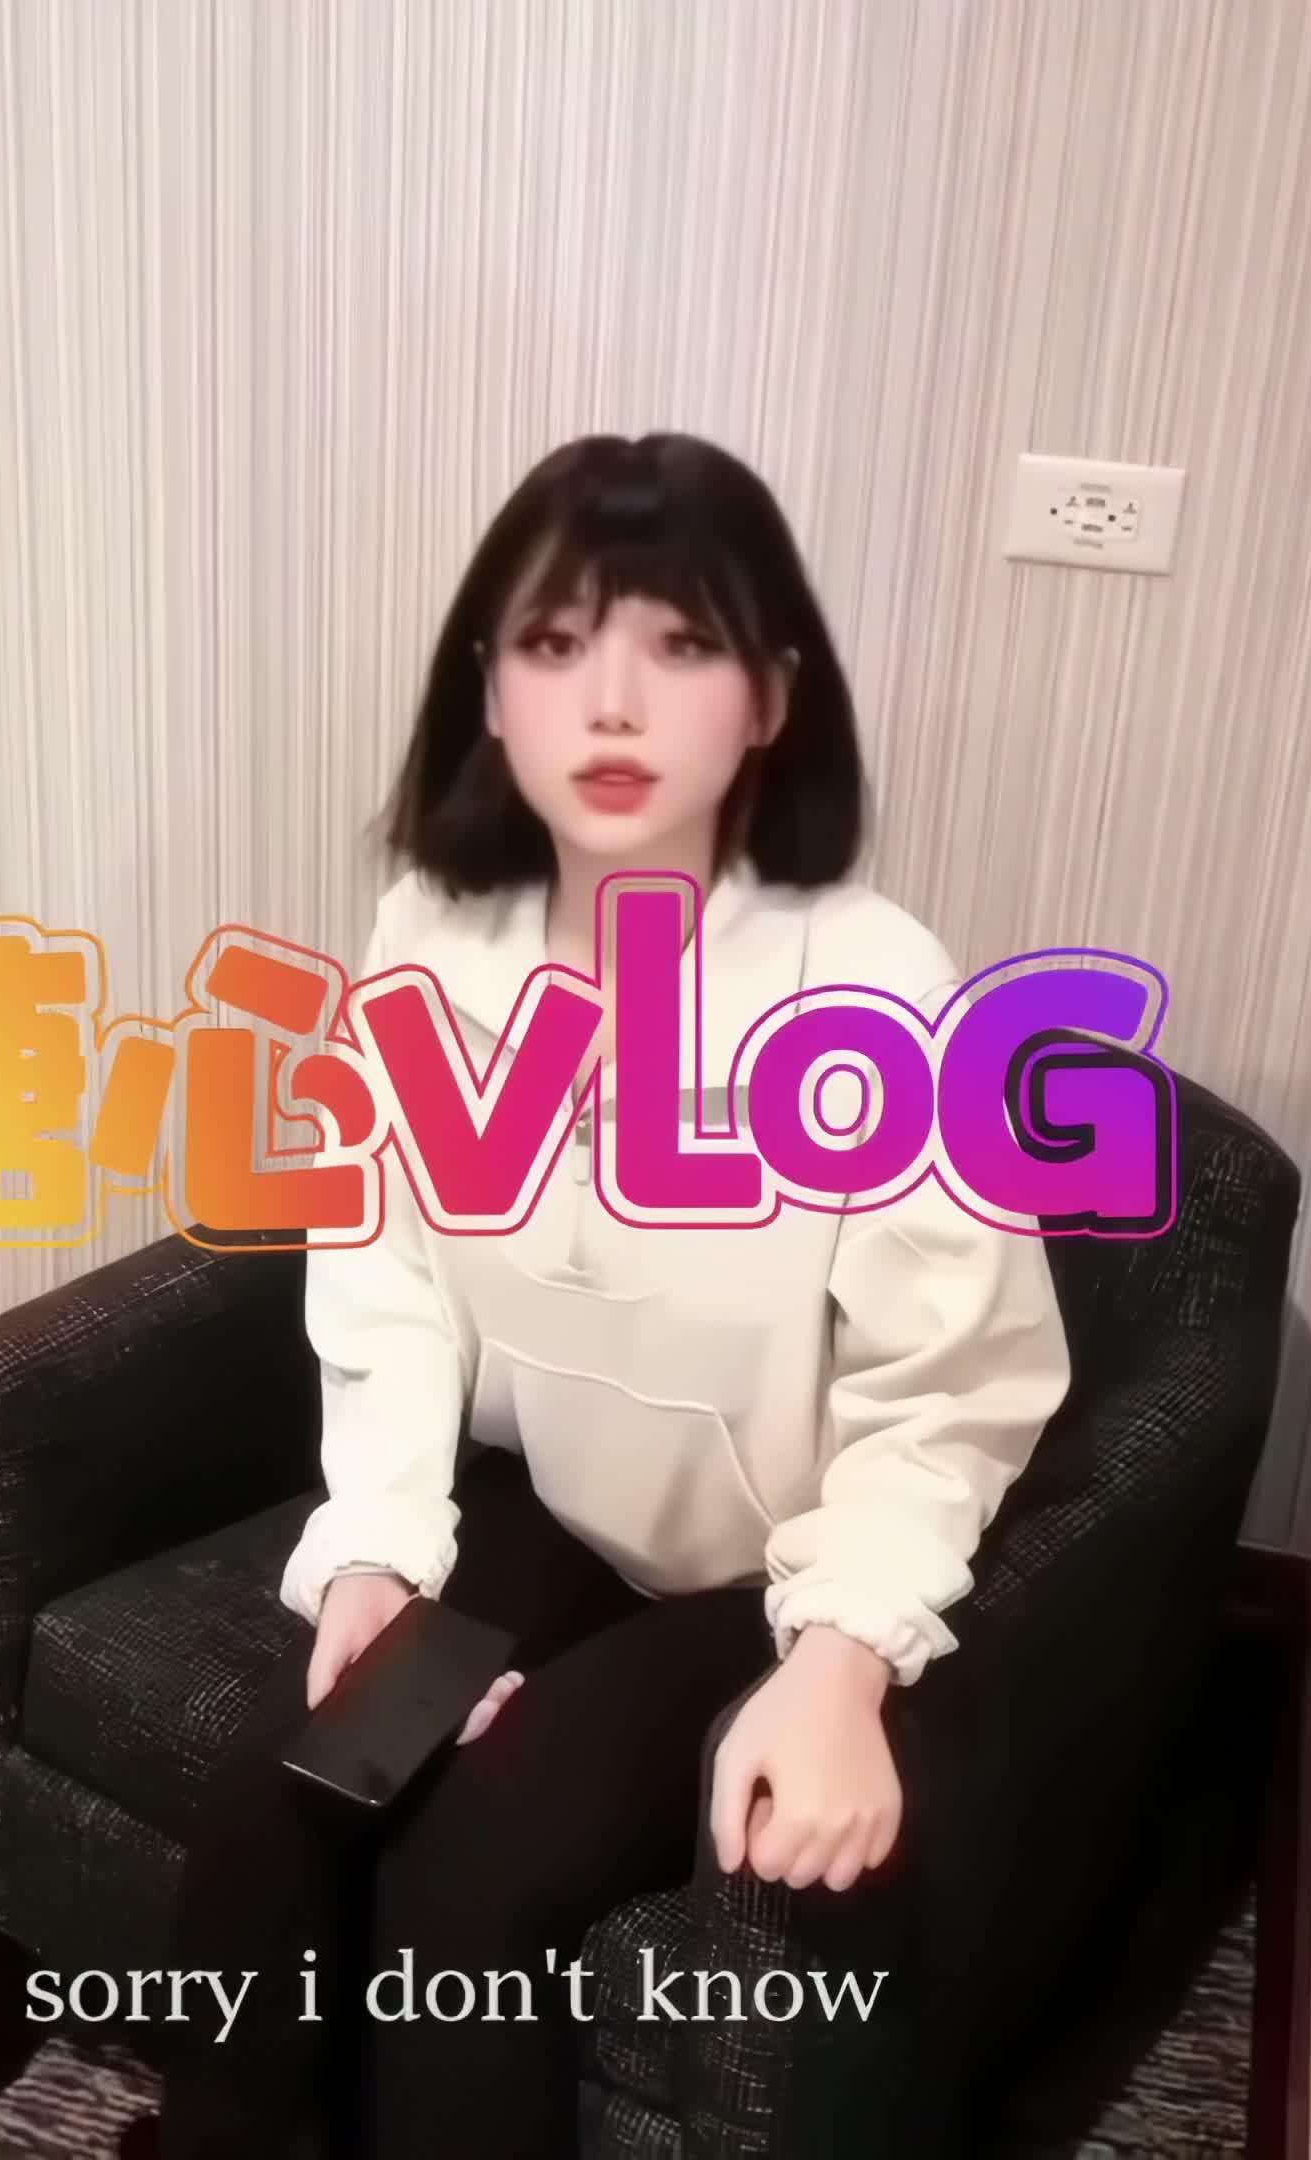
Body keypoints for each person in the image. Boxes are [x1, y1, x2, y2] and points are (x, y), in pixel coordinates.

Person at [152, 432, 1076, 2159]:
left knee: (472, 1869)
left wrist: (843, 1663)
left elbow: (952, 1387)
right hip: (558, 1500)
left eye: (684, 643)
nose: (616, 703)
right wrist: (377, 1551)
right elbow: (385, 1272)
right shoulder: (434, 934)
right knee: (295, 1788)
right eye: (557, 643)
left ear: (771, 697)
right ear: (490, 694)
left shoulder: (875, 989)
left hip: (768, 1561)